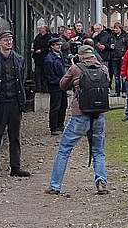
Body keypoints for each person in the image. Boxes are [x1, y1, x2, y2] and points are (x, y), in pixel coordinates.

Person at [45, 45, 110, 195]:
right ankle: (101, 182)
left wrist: (73, 70)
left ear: (80, 56)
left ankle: (55, 186)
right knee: (99, 151)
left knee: (64, 150)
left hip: (80, 115)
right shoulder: (104, 69)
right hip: (99, 115)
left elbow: (62, 85)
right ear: (93, 56)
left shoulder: (76, 69)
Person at [0, 31, 30, 179]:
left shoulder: (19, 59)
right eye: (5, 40)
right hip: (0, 104)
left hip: (15, 103)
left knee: (15, 136)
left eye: (10, 40)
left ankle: (15, 167)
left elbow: (21, 81)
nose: (9, 42)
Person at [44, 37, 68, 135]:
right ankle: (54, 127)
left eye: (60, 44)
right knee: (55, 106)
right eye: (57, 45)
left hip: (62, 84)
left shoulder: (59, 55)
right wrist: (60, 81)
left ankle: (60, 124)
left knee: (63, 105)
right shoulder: (49, 60)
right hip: (55, 86)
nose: (59, 46)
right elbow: (49, 76)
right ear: (52, 46)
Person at [109, 22, 128, 98]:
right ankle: (117, 91)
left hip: (122, 57)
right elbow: (108, 44)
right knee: (116, 76)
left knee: (123, 75)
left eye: (117, 28)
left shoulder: (126, 36)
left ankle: (124, 91)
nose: (115, 29)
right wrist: (110, 46)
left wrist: (125, 55)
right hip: (114, 57)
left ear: (120, 28)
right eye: (114, 28)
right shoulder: (112, 37)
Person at [31, 25, 51, 92]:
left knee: (45, 74)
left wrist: (41, 50)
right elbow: (35, 44)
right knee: (37, 73)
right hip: (37, 58)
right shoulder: (38, 37)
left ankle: (45, 88)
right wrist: (34, 49)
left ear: (45, 30)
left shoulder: (48, 38)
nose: (39, 29)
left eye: (41, 28)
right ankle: (38, 87)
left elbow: (48, 47)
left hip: (45, 58)